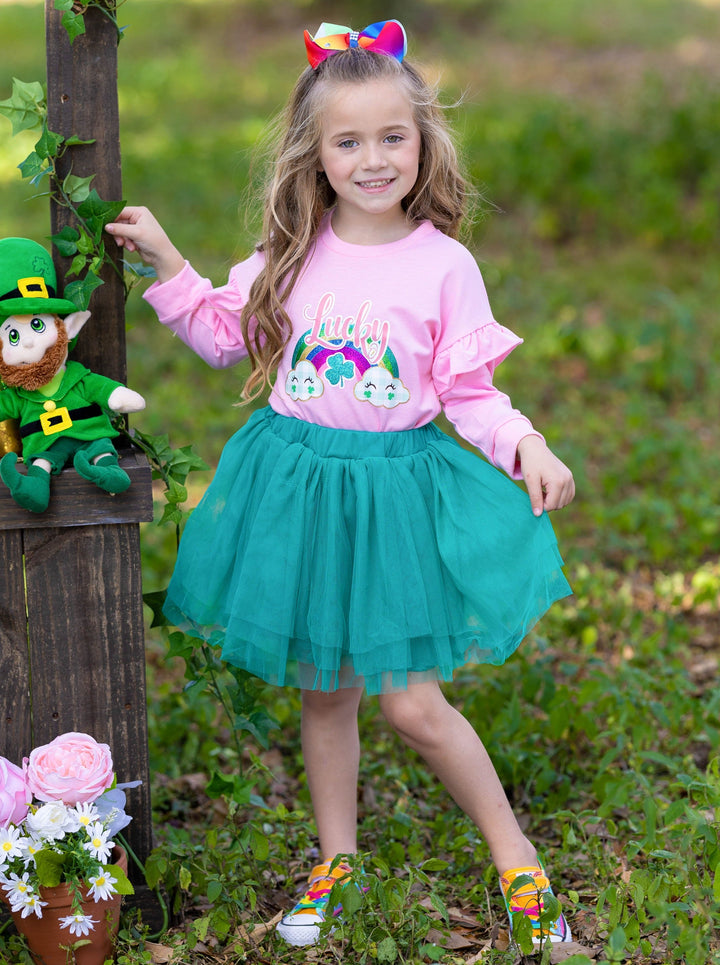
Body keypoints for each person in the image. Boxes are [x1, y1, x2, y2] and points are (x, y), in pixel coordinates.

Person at [107, 19, 575, 948]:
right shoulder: (294, 248)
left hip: (392, 497)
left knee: (411, 701)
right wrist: (168, 262)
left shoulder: (443, 264)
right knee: (326, 690)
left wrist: (525, 442)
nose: (373, 159)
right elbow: (225, 337)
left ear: (423, 142)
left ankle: (518, 860)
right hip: (302, 487)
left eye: (392, 137)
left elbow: (469, 393)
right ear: (315, 154)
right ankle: (338, 858)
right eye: (349, 142)